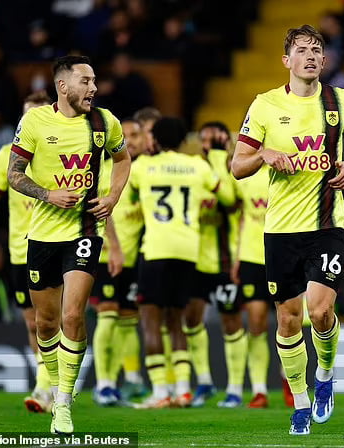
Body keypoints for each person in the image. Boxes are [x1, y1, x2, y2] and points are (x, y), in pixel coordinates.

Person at [231, 25, 344, 435]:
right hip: (281, 230)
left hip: (327, 223)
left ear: (324, 61)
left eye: (317, 50)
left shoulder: (341, 102)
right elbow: (238, 166)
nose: (311, 55)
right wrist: (266, 154)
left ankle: (324, 374)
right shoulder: (265, 105)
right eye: (302, 50)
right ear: (286, 60)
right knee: (288, 321)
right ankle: (301, 402)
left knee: (320, 310)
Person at [7, 55, 131, 433]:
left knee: (73, 315)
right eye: (86, 81)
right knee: (45, 323)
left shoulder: (104, 122)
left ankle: (63, 401)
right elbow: (14, 174)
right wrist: (47, 194)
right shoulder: (34, 122)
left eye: (94, 81)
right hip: (43, 235)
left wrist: (111, 198)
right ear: (63, 86)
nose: (93, 88)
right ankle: (52, 380)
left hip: (84, 232)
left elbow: (123, 158)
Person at [129, 116, 225, 409]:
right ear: (185, 140)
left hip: (156, 250)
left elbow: (130, 191)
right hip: (187, 251)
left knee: (150, 322)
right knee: (176, 323)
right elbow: (221, 189)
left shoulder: (143, 167)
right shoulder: (197, 166)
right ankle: (183, 390)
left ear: (154, 139)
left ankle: (160, 392)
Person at [0, 91, 53, 413]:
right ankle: (48, 384)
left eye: (34, 115)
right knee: (34, 324)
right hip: (22, 251)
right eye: (24, 116)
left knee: (57, 319)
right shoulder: (8, 154)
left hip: (58, 245)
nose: (27, 121)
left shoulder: (63, 152)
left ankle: (48, 387)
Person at [184, 121, 242, 409]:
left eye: (216, 140)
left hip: (224, 260)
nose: (209, 145)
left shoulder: (235, 169)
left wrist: (220, 158)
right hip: (194, 260)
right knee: (192, 320)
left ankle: (234, 388)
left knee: (231, 322)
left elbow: (230, 200)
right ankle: (204, 382)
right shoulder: (192, 169)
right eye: (206, 140)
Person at [91, 117, 148, 406]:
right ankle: (104, 384)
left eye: (135, 134)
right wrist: (114, 246)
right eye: (125, 135)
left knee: (128, 318)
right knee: (108, 314)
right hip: (106, 256)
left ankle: (133, 379)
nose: (131, 140)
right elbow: (103, 209)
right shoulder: (104, 168)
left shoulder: (145, 171)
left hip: (134, 256)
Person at [232, 158, 272, 408]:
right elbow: (242, 217)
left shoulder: (287, 169)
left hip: (283, 252)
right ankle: (260, 390)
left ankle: (291, 383)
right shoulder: (245, 175)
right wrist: (237, 257)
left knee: (291, 320)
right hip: (251, 255)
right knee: (256, 322)